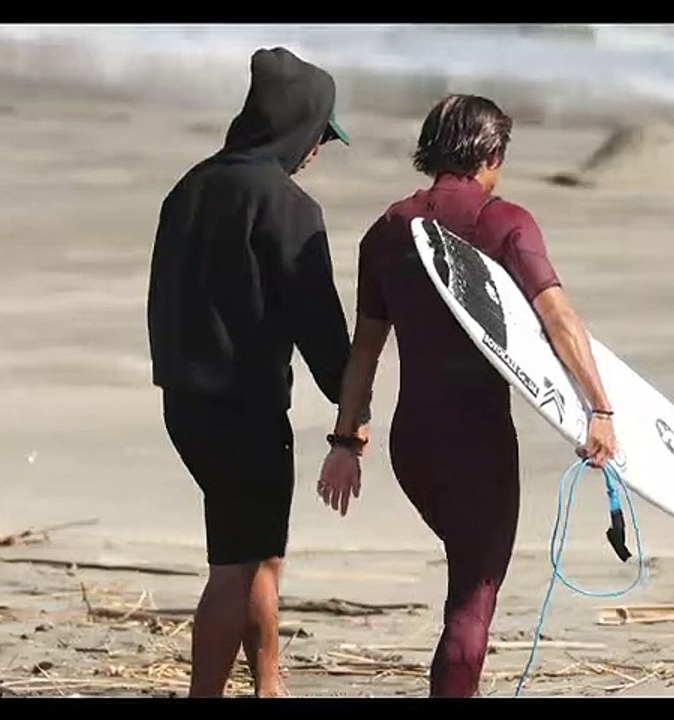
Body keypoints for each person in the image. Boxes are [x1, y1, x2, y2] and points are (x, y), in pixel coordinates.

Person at [315, 94, 618, 697]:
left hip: (413, 445)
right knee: (472, 600)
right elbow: (557, 318)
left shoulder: (386, 232)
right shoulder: (505, 223)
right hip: (476, 442)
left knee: (466, 575)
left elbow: (366, 349)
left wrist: (346, 440)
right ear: (490, 153)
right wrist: (600, 409)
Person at [146, 46, 366, 698]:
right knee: (237, 565)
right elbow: (320, 326)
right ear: (294, 125)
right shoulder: (289, 208)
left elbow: (165, 297)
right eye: (318, 136)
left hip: (185, 402)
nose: (317, 151)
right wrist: (352, 411)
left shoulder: (188, 188)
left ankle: (269, 685)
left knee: (260, 550)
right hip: (244, 410)